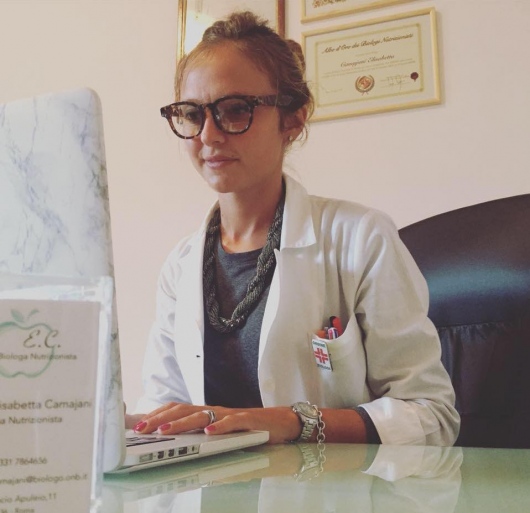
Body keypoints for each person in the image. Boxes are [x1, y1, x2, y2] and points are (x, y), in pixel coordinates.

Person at [128, 11, 460, 446]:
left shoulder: (362, 239)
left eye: (235, 110)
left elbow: (432, 416)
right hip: (211, 489)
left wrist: (291, 422)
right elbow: (165, 411)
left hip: (335, 487)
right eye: (191, 114)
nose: (208, 135)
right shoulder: (181, 266)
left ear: (293, 120)